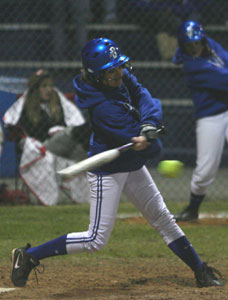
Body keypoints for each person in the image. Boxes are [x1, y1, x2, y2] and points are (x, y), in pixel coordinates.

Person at [10, 38, 223, 288]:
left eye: (119, 67)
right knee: (95, 239)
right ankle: (29, 256)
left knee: (162, 217)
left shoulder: (120, 79)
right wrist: (147, 140)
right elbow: (153, 149)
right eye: (110, 71)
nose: (118, 73)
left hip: (130, 163)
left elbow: (145, 96)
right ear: (96, 75)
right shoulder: (103, 110)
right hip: (108, 172)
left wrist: (148, 124)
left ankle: (200, 270)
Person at [3, 69, 90, 205]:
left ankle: (88, 197)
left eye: (50, 86)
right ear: (34, 89)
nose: (49, 90)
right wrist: (27, 142)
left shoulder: (59, 105)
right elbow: (12, 129)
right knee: (78, 131)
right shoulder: (24, 109)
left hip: (62, 145)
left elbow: (73, 117)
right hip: (43, 148)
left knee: (80, 146)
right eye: (44, 86)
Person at [172, 20, 228, 221]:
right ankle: (192, 209)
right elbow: (224, 79)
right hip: (210, 116)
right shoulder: (191, 66)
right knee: (205, 170)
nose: (194, 47)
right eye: (189, 44)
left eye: (197, 42)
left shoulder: (211, 45)